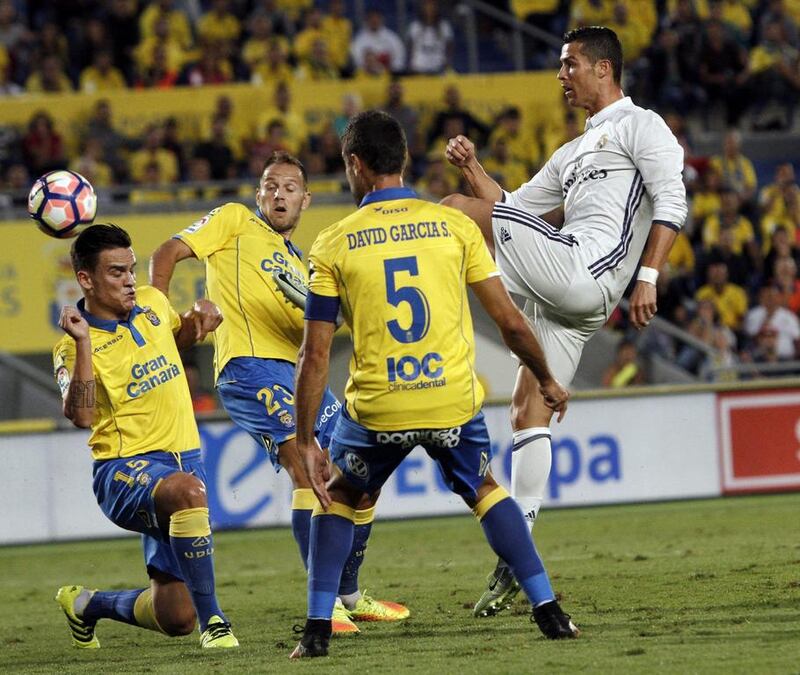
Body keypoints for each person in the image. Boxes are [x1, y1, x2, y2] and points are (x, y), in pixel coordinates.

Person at [289, 110, 575, 659]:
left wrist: (306, 440)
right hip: (449, 401)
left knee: (343, 496)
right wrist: (547, 379)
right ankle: (548, 610)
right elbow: (511, 323)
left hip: (379, 410)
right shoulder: (453, 224)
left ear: (356, 166)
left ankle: (318, 630)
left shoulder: (333, 242)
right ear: (401, 162)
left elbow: (315, 353)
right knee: (485, 488)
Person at [442, 26, 687, 616]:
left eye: (569, 63)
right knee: (529, 412)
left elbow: (673, 201)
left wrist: (648, 277)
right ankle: (517, 550)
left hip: (584, 270)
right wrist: (474, 167)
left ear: (604, 69)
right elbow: (514, 208)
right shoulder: (572, 152)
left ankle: (408, 317)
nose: (561, 75)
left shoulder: (642, 126)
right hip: (567, 300)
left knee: (450, 214)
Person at [149, 151, 408, 634]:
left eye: (290, 187)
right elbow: (166, 253)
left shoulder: (301, 262)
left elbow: (319, 333)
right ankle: (323, 604)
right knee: (308, 466)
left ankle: (348, 594)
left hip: (295, 378)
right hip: (249, 369)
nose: (279, 194)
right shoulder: (233, 221)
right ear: (258, 193)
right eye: (270, 185)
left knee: (360, 471)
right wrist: (156, 319)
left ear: (306, 200)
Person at [52, 224, 238, 650]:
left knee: (175, 617)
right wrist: (81, 343)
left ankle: (87, 605)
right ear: (86, 280)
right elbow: (80, 416)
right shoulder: (71, 347)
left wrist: (200, 322)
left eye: (131, 270)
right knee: (189, 493)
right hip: (123, 470)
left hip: (183, 461)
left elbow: (176, 338)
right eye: (116, 272)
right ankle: (218, 624)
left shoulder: (152, 303)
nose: (130, 280)